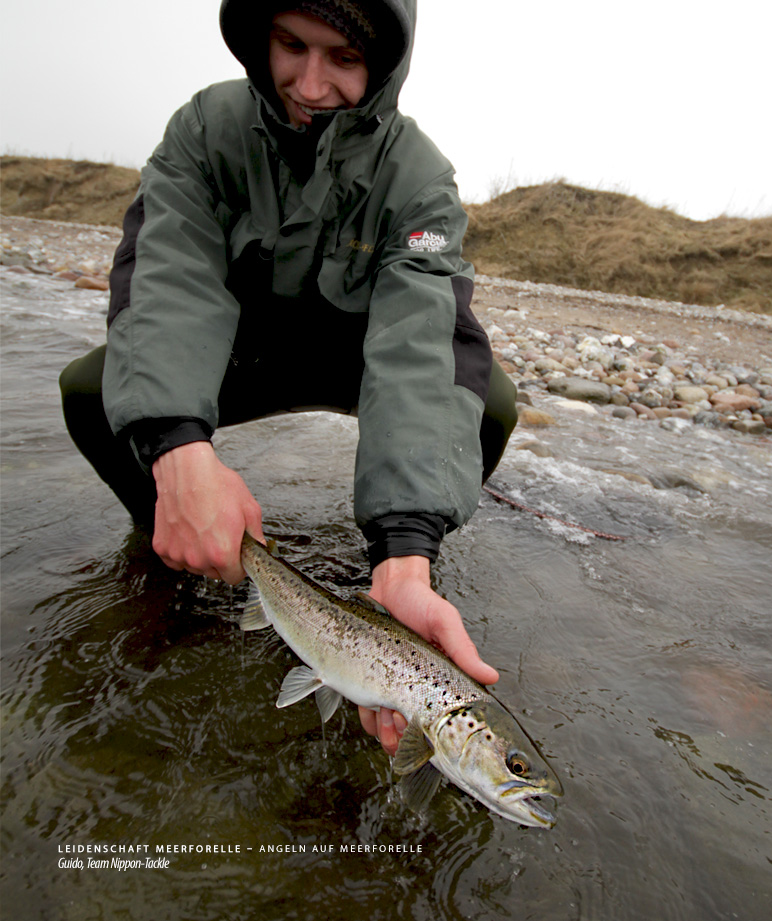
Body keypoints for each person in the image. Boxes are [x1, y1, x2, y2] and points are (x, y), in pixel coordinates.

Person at [59, 0, 517, 755]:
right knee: (91, 389)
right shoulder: (205, 129)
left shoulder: (420, 177)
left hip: (356, 357)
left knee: (489, 403)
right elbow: (166, 281)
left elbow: (419, 344)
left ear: (381, 65)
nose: (309, 83)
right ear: (259, 40)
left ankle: (406, 570)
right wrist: (179, 448)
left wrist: (405, 546)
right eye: (291, 46)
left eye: (342, 57)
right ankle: (172, 546)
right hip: (242, 351)